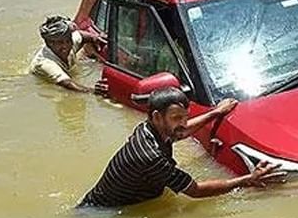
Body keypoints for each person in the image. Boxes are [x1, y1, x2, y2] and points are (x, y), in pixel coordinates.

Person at [79, 88, 275, 208]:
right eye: (176, 118)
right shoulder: (151, 157)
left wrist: (215, 112)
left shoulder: (149, 128)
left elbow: (182, 131)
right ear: (157, 116)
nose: (183, 123)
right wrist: (248, 180)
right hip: (105, 212)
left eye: (185, 117)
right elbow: (195, 191)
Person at [30, 16, 106, 93]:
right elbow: (67, 84)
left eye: (68, 41)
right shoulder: (46, 63)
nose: (65, 46)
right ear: (49, 43)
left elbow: (81, 35)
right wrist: (93, 91)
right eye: (60, 43)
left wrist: (95, 38)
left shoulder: (70, 41)